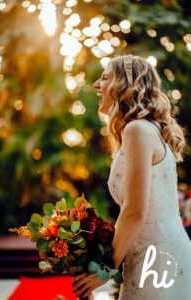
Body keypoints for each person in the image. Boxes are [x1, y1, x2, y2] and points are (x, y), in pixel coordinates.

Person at [71, 55, 191, 299]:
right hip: (153, 250)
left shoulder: (137, 129)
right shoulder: (145, 129)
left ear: (124, 85)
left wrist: (105, 271)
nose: (96, 84)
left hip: (156, 258)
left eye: (105, 78)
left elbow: (135, 211)